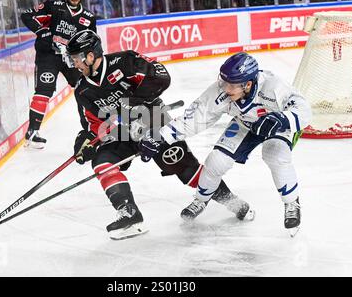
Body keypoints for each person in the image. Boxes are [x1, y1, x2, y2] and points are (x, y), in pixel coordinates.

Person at [65, 30, 254, 240]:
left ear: (90, 56)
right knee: (102, 162)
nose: (74, 64)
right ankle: (130, 214)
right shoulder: (82, 90)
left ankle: (232, 201)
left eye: (76, 59)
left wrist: (135, 100)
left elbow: (161, 77)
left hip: (153, 120)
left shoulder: (125, 61)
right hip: (121, 132)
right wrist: (87, 140)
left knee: (187, 170)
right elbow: (94, 123)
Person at [139, 52, 312, 237]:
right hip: (245, 122)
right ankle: (200, 200)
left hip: (277, 126)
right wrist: (161, 136)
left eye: (231, 85)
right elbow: (196, 117)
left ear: (248, 84)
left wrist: (281, 119)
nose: (225, 88)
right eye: (223, 82)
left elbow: (304, 109)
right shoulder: (222, 90)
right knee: (216, 161)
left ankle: (291, 203)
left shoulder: (274, 86)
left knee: (275, 154)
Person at [20, 0, 96, 149]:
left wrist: (89, 59)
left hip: (72, 58)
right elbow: (26, 15)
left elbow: (91, 41)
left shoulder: (88, 17)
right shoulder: (53, 6)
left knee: (84, 89)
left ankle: (90, 130)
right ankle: (32, 133)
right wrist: (41, 31)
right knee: (44, 90)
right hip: (48, 56)